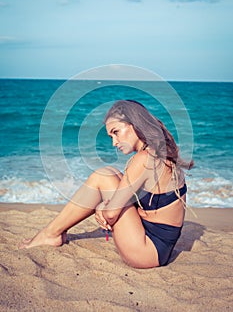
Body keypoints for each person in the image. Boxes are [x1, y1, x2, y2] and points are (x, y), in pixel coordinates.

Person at [19, 100, 194, 268]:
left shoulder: (144, 159)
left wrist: (102, 207)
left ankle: (51, 234)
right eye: (111, 136)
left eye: (116, 132)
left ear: (134, 124)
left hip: (146, 252)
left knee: (103, 176)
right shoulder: (160, 152)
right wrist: (106, 205)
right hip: (160, 247)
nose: (114, 142)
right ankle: (53, 232)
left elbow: (110, 216)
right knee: (111, 174)